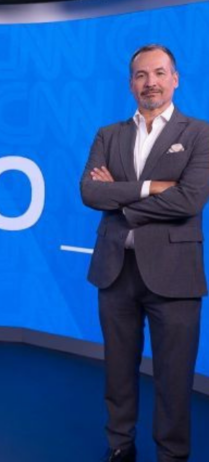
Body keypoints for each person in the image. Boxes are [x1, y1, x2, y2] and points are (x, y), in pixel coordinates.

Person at [81, 44, 209, 462]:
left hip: (175, 274)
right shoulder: (109, 134)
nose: (150, 82)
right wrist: (151, 187)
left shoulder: (200, 133)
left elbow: (189, 200)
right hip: (115, 271)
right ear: (131, 83)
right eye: (141, 75)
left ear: (175, 79)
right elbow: (90, 192)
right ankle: (120, 444)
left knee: (174, 376)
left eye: (158, 73)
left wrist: (120, 199)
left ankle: (171, 454)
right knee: (118, 370)